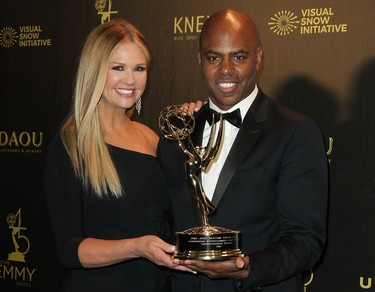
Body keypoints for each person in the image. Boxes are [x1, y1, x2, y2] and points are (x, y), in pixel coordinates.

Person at [157, 8, 328, 292]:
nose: (226, 69)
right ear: (200, 60)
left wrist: (247, 269)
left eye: (239, 56)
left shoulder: (295, 132)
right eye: (214, 57)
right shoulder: (177, 133)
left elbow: (306, 240)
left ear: (258, 57)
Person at [43, 18, 193, 292]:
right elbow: (70, 250)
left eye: (139, 68)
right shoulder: (71, 143)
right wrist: (137, 247)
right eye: (118, 68)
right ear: (95, 71)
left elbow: (183, 213)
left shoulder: (150, 137)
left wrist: (198, 128)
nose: (130, 80)